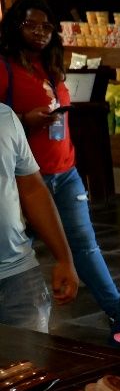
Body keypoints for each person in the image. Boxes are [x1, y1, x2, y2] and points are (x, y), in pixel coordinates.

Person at [0, 0, 119, 321]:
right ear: (15, 26)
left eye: (46, 26)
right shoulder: (4, 68)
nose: (40, 32)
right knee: (19, 251)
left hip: (65, 171)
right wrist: (25, 119)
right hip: (26, 177)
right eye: (31, 25)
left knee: (85, 244)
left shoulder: (51, 66)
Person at [0, 103, 78, 330]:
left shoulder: (5, 117)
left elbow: (32, 190)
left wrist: (63, 258)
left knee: (32, 353)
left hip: (18, 272)